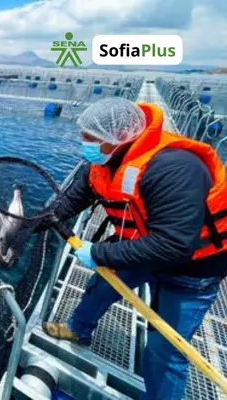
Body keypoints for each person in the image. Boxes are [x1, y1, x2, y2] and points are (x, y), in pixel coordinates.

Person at [42, 97, 227, 400]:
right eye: (83, 136)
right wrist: (34, 220)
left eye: (91, 138)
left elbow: (174, 245)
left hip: (193, 269)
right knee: (101, 284)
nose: (83, 143)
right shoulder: (104, 162)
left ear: (119, 137)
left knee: (165, 351)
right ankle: (79, 329)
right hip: (142, 245)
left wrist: (98, 253)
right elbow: (73, 198)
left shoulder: (174, 168)